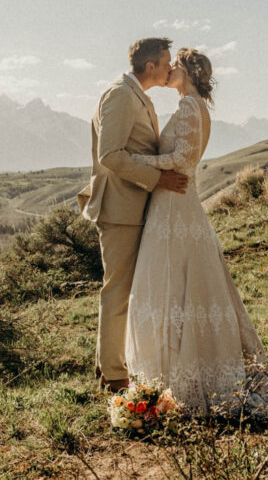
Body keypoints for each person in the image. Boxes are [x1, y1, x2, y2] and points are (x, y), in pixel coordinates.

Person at [124, 48, 268, 416]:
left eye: (174, 65)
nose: (168, 69)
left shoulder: (190, 107)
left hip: (174, 206)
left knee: (170, 282)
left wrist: (138, 162)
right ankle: (171, 369)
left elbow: (183, 159)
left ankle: (180, 373)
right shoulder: (193, 105)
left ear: (186, 72)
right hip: (174, 203)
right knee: (178, 284)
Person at [78, 38, 191, 393]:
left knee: (128, 289)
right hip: (120, 207)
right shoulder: (120, 96)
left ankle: (117, 363)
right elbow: (110, 154)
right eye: (166, 62)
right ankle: (113, 374)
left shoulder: (136, 95)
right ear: (151, 66)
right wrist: (158, 178)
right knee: (118, 291)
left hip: (135, 206)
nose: (170, 68)